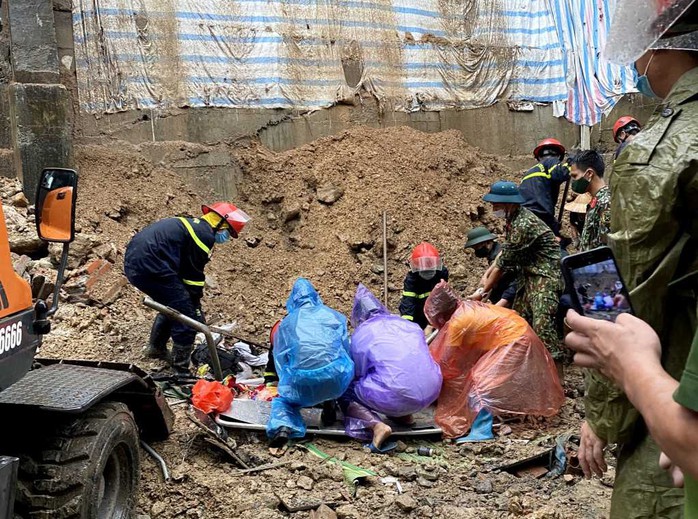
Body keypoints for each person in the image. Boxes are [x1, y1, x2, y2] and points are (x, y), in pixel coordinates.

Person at [574, 2, 698, 516]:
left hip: (676, 393)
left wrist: (602, 414)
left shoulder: (662, 151)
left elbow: (628, 297)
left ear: (663, 39)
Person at [124, 202, 250, 373]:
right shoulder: (204, 235)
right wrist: (195, 307)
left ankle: (156, 348)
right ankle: (180, 370)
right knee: (185, 315)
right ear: (221, 225)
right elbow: (193, 276)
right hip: (151, 267)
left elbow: (186, 270)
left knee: (173, 305)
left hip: (138, 264)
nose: (227, 237)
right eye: (229, 232)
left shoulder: (193, 227)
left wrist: (193, 301)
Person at [340, 284, 442, 452]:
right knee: (395, 374)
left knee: (346, 389)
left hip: (398, 393)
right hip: (432, 390)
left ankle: (376, 426)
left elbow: (356, 372)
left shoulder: (362, 333)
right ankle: (404, 416)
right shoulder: (406, 324)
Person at [478, 181, 563, 360]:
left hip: (545, 276)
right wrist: (486, 277)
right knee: (518, 320)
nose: (493, 208)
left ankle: (557, 377)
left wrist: (483, 291)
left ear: (509, 203)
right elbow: (504, 254)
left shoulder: (523, 224)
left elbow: (503, 265)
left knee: (542, 325)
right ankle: (525, 364)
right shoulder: (512, 219)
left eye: (496, 204)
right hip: (528, 275)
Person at [266, 278, 354, 448]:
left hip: (302, 382)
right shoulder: (334, 316)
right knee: (339, 376)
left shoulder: (287, 324)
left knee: (284, 401)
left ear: (292, 301)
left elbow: (280, 359)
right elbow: (346, 349)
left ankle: (283, 426)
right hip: (335, 380)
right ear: (315, 297)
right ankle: (331, 404)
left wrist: (284, 382)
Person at [518, 138, 571, 236]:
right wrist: (570, 164)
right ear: (559, 156)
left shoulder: (529, 172)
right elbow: (560, 174)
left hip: (522, 217)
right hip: (540, 216)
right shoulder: (551, 161)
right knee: (556, 247)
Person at [398, 242, 449, 329]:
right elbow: (408, 303)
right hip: (419, 314)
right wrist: (407, 326)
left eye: (430, 266)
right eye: (424, 268)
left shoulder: (441, 273)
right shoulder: (412, 280)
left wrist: (432, 324)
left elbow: (443, 299)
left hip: (438, 314)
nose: (427, 271)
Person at [568, 150, 610, 251]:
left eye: (575, 176)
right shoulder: (595, 202)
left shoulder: (606, 203)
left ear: (589, 174)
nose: (573, 181)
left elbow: (605, 249)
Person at [464, 226, 517, 308]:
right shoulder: (494, 253)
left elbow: (494, 280)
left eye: (477, 247)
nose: (476, 251)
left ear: (487, 243)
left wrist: (481, 294)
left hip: (511, 294)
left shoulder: (498, 255)